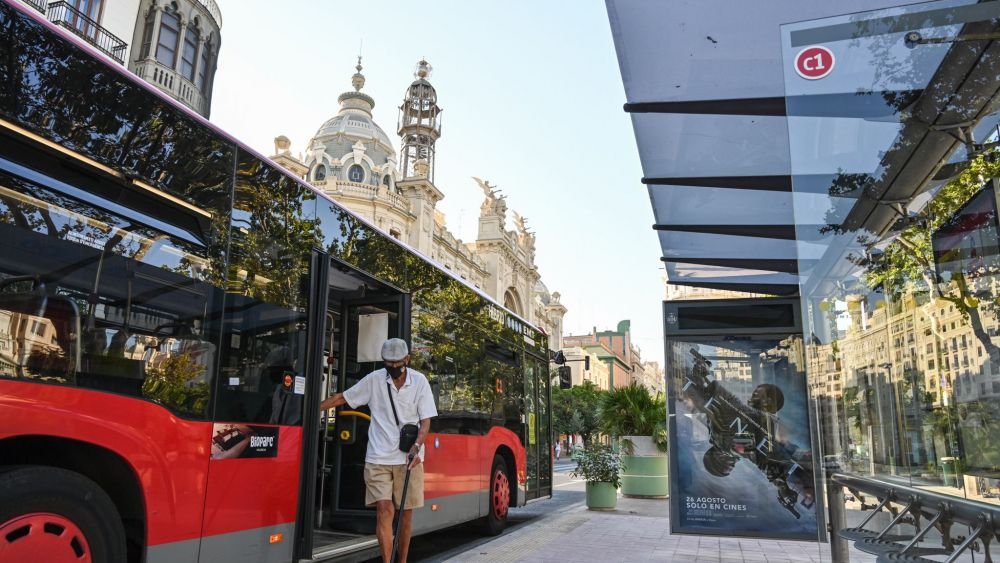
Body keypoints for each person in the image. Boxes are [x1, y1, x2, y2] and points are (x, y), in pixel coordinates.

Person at [319, 338, 437, 563]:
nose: (393, 367)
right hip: (378, 457)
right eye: (388, 363)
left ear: (407, 359)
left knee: (405, 515)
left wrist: (416, 446)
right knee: (384, 510)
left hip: (409, 459)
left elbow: (425, 421)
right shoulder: (374, 380)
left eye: (397, 363)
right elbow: (344, 397)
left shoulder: (420, 382)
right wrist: (311, 409)